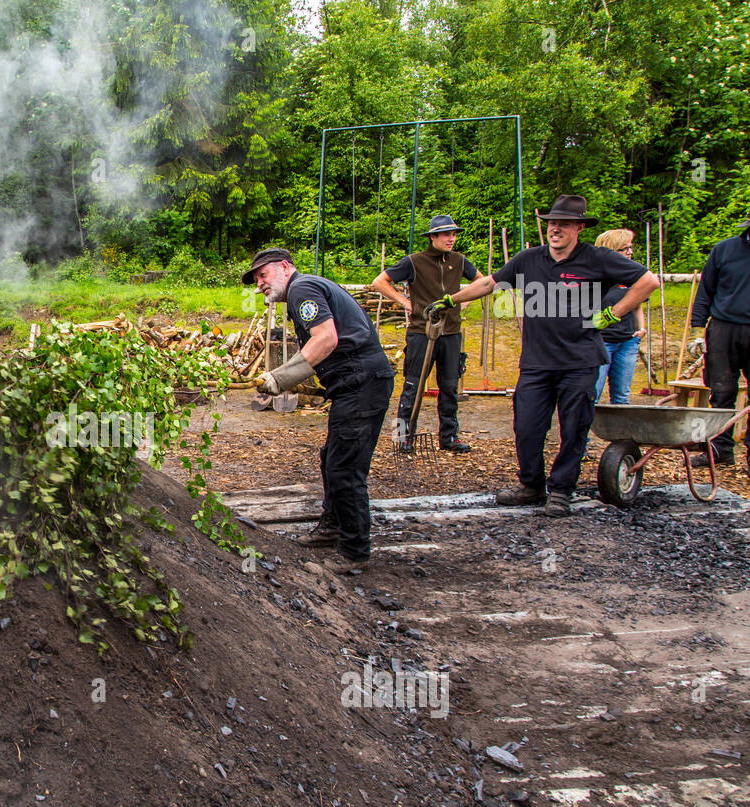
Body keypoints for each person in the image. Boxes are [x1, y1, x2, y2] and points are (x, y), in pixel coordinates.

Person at [441, 196, 659, 516]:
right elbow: (489, 283)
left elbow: (648, 281)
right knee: (527, 427)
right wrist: (450, 300)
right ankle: (531, 486)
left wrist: (614, 314)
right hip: (536, 363)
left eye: (564, 224)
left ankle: (561, 490)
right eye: (551, 223)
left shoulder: (596, 259)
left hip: (580, 362)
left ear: (579, 228)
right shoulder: (529, 259)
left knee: (573, 429)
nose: (555, 229)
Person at [243, 248, 396, 566]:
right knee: (333, 458)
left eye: (263, 275)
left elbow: (326, 339)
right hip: (358, 384)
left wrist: (280, 379)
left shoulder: (302, 289)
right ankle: (333, 527)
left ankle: (354, 551)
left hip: (361, 383)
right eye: (256, 280)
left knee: (345, 467)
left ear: (285, 267)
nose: (259, 284)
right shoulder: (306, 288)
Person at [371, 213, 484, 452]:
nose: (451, 239)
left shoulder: (460, 261)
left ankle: (449, 437)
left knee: (450, 386)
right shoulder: (414, 262)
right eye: (446, 234)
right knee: (413, 385)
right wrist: (405, 302)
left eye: (453, 234)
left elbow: (481, 283)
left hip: (451, 331)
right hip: (421, 331)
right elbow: (380, 281)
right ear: (433, 237)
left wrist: (461, 303)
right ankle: (402, 437)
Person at [688, 210, 750, 469]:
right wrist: (697, 331)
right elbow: (705, 292)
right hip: (723, 328)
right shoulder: (725, 250)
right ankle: (720, 448)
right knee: (721, 390)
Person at [593, 228, 645, 404]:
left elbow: (637, 304)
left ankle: (619, 432)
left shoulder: (634, 275)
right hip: (601, 342)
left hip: (628, 341)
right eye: (624, 249)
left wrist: (641, 328)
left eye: (630, 247)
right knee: (593, 393)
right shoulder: (593, 276)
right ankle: (581, 431)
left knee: (622, 396)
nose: (630, 252)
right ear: (611, 251)